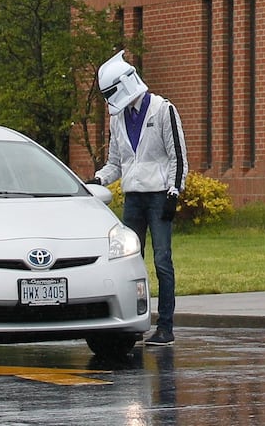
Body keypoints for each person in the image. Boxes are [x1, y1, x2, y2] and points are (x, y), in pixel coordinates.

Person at [91, 48, 189, 346]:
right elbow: (116, 163)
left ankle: (166, 325)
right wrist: (98, 179)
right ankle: (132, 324)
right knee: (129, 263)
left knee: (162, 261)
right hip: (133, 197)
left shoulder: (162, 110)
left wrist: (174, 191)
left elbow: (178, 156)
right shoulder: (118, 118)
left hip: (159, 196)